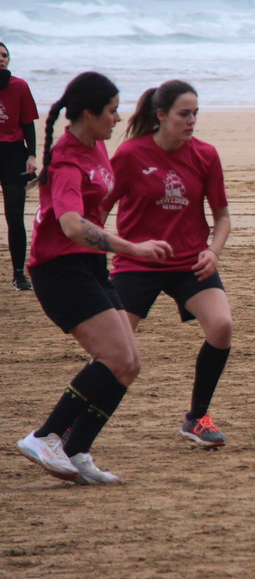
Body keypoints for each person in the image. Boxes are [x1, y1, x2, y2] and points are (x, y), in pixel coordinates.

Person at [16, 71, 173, 484]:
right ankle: (45, 436)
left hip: (90, 266)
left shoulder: (97, 145)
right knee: (114, 358)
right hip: (59, 270)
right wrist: (132, 248)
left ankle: (76, 450)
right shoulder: (67, 160)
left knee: (130, 364)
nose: (117, 118)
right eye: (112, 111)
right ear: (89, 113)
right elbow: (70, 225)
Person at [103, 80, 233, 449]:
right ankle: (72, 424)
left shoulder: (205, 154)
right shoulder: (130, 154)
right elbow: (98, 212)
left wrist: (213, 251)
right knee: (115, 351)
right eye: (184, 114)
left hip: (190, 262)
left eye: (195, 114)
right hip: (137, 263)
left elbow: (222, 217)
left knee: (222, 326)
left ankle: (197, 418)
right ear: (161, 115)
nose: (192, 120)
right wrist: (107, 253)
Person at [0, 42, 39, 291]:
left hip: (13, 154)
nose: (1, 59)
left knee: (15, 216)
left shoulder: (20, 86)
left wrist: (31, 155)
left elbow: (28, 124)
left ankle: (18, 275)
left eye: (4, 55)